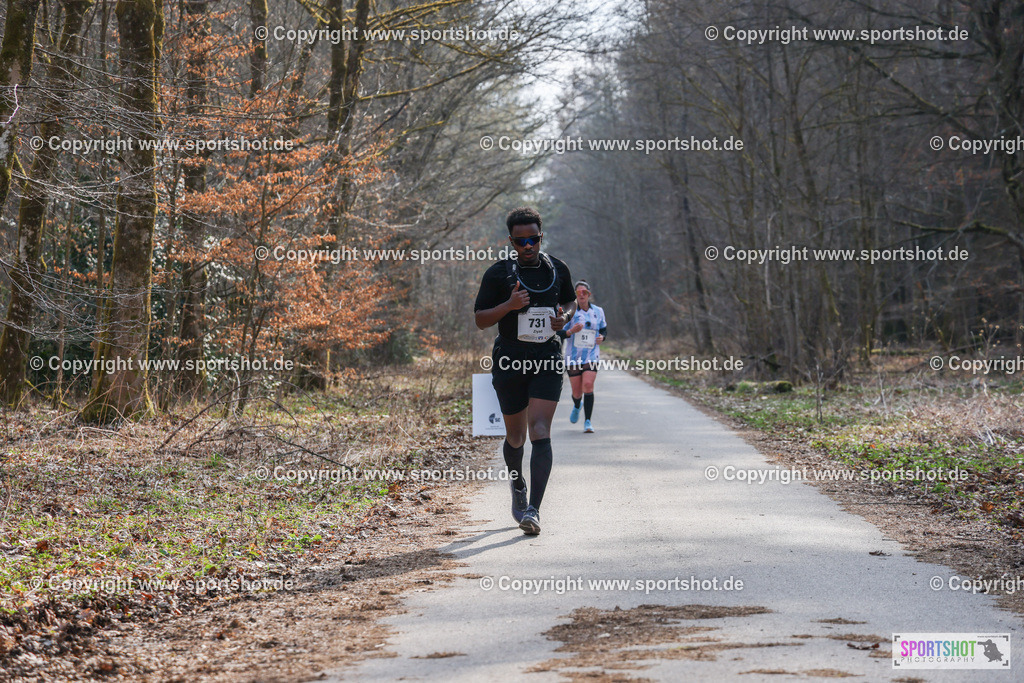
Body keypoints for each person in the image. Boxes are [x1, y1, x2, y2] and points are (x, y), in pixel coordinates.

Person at [474, 207, 576, 535]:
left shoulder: (557, 269)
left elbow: (571, 302)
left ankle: (534, 509)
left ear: (541, 237)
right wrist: (509, 306)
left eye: (533, 239)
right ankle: (518, 487)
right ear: (511, 242)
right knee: (516, 436)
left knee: (541, 430)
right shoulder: (497, 274)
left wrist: (565, 317)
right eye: (521, 241)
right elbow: (480, 319)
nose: (527, 246)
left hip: (546, 356)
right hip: (510, 359)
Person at [560, 281, 606, 433]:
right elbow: (558, 332)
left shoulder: (598, 311)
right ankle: (577, 404)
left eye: (584, 292)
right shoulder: (569, 312)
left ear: (589, 295)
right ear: (575, 295)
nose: (581, 295)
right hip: (573, 357)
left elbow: (604, 330)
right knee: (577, 392)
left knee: (588, 385)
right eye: (578, 292)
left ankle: (587, 421)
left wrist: (602, 338)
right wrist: (571, 331)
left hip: (591, 355)